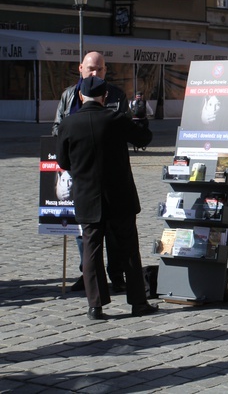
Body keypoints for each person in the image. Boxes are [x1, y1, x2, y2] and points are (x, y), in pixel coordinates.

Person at [56, 76, 158, 320]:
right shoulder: (115, 119)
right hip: (119, 197)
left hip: (87, 197)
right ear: (104, 97)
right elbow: (144, 139)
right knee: (128, 250)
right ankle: (137, 302)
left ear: (80, 97)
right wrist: (140, 118)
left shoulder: (68, 124)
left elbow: (63, 162)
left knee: (91, 252)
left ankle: (96, 305)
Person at [51, 51, 128, 293]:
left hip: (109, 174)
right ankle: (89, 275)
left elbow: (126, 129)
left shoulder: (116, 95)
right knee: (82, 229)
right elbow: (57, 126)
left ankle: (116, 275)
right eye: (91, 69)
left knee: (114, 231)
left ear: (106, 71)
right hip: (79, 173)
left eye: (100, 69)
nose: (95, 73)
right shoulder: (68, 95)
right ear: (80, 69)